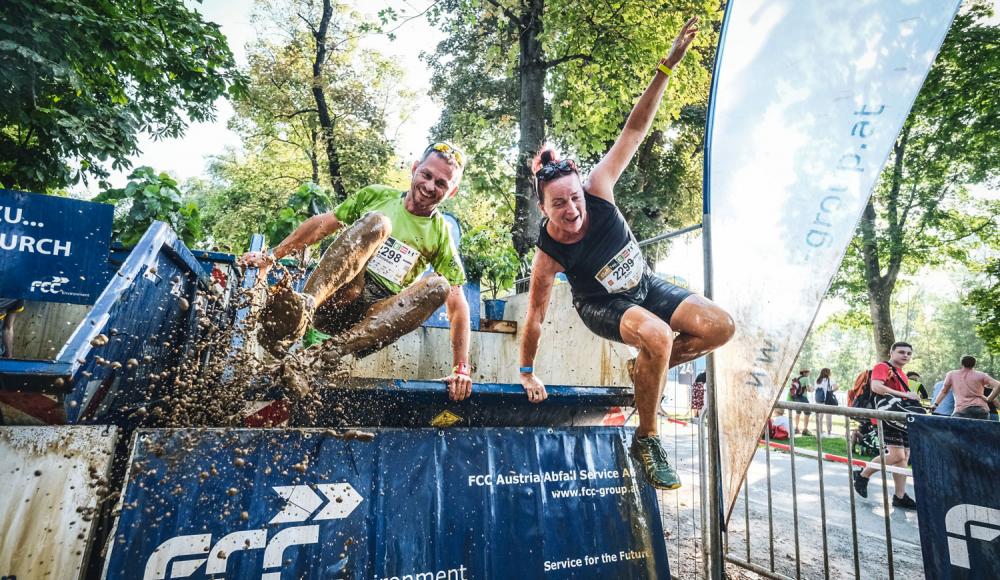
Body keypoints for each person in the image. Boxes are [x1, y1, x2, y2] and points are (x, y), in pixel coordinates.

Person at [517, 17, 734, 491]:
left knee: (721, 327)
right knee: (655, 334)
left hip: (645, 286)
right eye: (559, 204)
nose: (572, 210)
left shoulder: (598, 187)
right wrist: (527, 372)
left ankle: (645, 369)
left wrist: (667, 66)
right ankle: (648, 437)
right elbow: (534, 315)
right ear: (542, 206)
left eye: (574, 198)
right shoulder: (549, 251)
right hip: (601, 305)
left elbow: (635, 129)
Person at [242, 142, 474, 401]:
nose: (430, 187)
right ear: (415, 168)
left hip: (372, 318)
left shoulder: (440, 234)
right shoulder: (377, 196)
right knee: (378, 222)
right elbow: (322, 226)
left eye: (441, 183)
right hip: (337, 293)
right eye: (427, 175)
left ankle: (327, 352)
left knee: (439, 286)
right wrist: (271, 257)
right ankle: (303, 311)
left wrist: (461, 369)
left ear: (451, 192)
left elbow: (458, 305)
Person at [852, 342, 920, 509]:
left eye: (909, 353)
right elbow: (877, 387)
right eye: (901, 352)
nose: (905, 355)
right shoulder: (883, 367)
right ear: (891, 352)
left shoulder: (901, 374)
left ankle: (900, 495)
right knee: (896, 456)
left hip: (899, 419)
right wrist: (906, 394)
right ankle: (863, 475)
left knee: (904, 456)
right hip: (887, 418)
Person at [931, 356, 1000, 420]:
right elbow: (998, 385)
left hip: (962, 409)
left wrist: (935, 404)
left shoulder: (952, 374)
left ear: (961, 364)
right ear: (974, 364)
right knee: (980, 432)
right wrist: (989, 399)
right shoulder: (981, 375)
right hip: (980, 409)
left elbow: (944, 391)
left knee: (957, 432)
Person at [814, 367, 838, 436]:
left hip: (819, 400)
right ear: (828, 373)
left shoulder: (817, 380)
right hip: (827, 400)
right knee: (828, 417)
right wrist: (831, 391)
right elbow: (836, 387)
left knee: (820, 417)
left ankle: (820, 431)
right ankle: (829, 432)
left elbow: (815, 388)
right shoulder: (830, 380)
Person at [789, 369, 812, 436]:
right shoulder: (806, 378)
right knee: (807, 413)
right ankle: (805, 429)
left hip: (796, 398)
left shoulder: (798, 378)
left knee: (798, 413)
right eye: (808, 373)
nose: (808, 374)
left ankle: (796, 428)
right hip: (803, 398)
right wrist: (812, 389)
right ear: (805, 373)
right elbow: (808, 389)